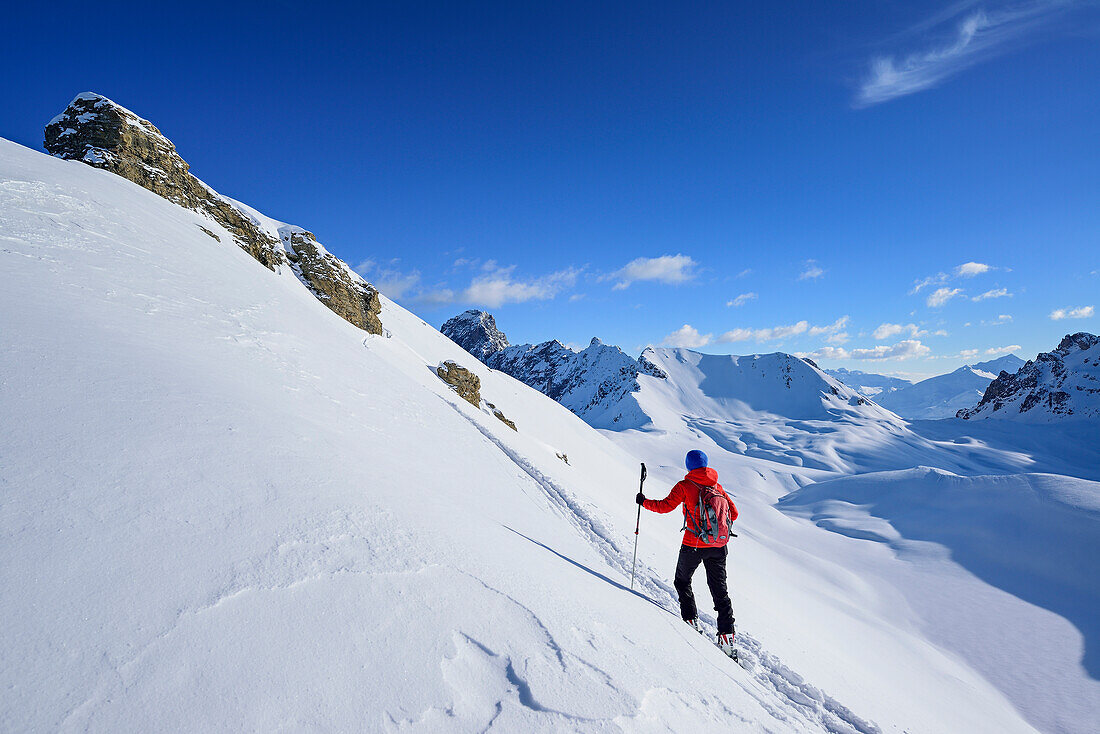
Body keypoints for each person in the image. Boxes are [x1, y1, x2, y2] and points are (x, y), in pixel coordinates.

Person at [636, 449, 738, 655]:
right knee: (720, 592)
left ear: (688, 466)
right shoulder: (716, 486)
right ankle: (727, 640)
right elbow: (734, 514)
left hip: (693, 544)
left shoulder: (685, 486)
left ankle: (691, 623)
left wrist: (643, 501)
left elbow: (665, 507)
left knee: (682, 581)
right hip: (718, 546)